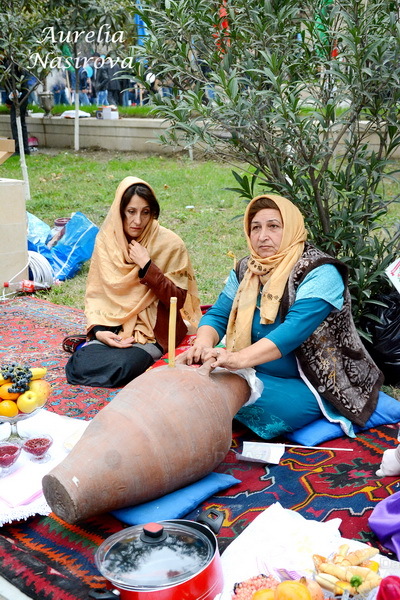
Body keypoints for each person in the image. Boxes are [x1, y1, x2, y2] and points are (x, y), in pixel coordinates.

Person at [177, 194, 383, 439]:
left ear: (292, 229)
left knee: (222, 402)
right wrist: (202, 344)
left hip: (312, 382)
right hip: (254, 369)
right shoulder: (247, 268)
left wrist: (235, 359)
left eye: (273, 226)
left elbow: (292, 332)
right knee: (186, 386)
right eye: (256, 227)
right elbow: (219, 313)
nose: (263, 236)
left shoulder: (321, 272)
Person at [65, 176, 202, 388]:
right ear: (120, 211)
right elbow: (97, 295)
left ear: (153, 213)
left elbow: (178, 300)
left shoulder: (170, 244)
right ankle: (97, 343)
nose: (137, 221)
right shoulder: (106, 241)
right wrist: (100, 331)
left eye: (145, 212)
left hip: (153, 330)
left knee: (123, 368)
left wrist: (147, 266)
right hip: (114, 324)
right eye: (131, 212)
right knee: (79, 366)